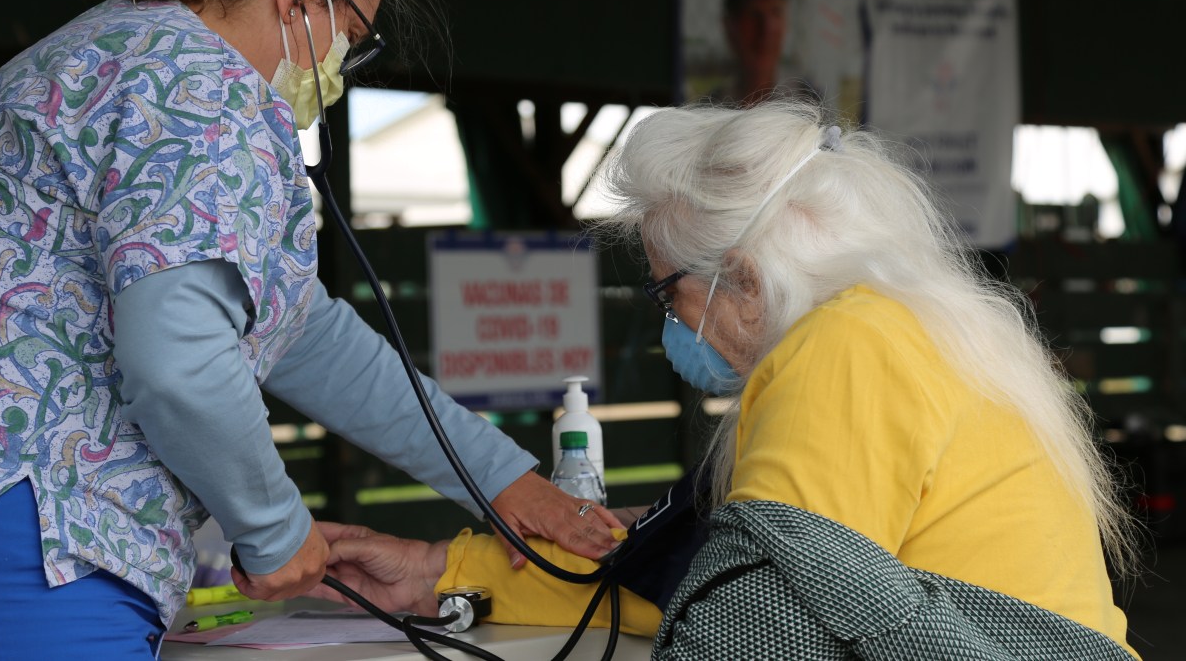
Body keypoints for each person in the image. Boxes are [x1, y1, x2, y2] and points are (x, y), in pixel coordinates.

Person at [0, 0, 620, 659]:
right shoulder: (204, 95)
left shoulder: (90, 52)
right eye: (350, 38)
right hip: (40, 531)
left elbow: (302, 334)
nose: (341, 71)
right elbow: (180, 359)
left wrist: (503, 477)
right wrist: (275, 530)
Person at [307, 101, 1141, 659]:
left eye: (670, 291)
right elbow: (721, 573)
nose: (671, 321)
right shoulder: (924, 326)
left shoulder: (845, 343)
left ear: (743, 278)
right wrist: (439, 573)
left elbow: (752, 610)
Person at [718, 0, 806, 105]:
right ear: (730, 26)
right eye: (754, 15)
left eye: (776, 13)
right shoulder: (712, 110)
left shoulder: (809, 102)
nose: (767, 29)